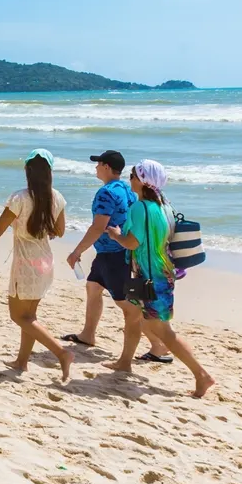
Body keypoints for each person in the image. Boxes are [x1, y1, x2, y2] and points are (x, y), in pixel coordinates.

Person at [105, 160, 215, 398]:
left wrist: (115, 235)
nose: (129, 177)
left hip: (150, 277)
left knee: (163, 330)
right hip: (158, 273)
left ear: (143, 180)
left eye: (133, 174)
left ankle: (202, 375)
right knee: (135, 318)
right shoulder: (164, 205)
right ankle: (124, 362)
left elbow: (132, 242)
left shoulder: (140, 207)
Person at [0, 149, 74, 381]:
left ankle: (61, 352)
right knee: (30, 315)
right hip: (45, 261)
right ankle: (22, 361)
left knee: (19, 316)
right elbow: (61, 231)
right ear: (50, 172)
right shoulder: (57, 197)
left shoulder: (20, 198)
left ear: (28, 171)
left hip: (26, 264)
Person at [62, 150, 137, 352]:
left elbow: (98, 226)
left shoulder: (106, 192)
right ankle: (87, 334)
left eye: (98, 164)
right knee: (93, 287)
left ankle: (159, 345)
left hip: (113, 255)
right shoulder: (128, 190)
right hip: (117, 252)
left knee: (127, 305)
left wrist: (77, 251)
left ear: (106, 167)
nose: (95, 167)